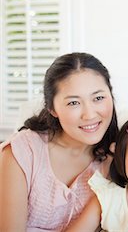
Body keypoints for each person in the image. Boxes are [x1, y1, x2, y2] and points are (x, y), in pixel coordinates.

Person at [0, 52, 119, 231]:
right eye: (73, 103)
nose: (90, 114)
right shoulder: (23, 151)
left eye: (98, 98)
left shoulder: (119, 160)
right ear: (52, 109)